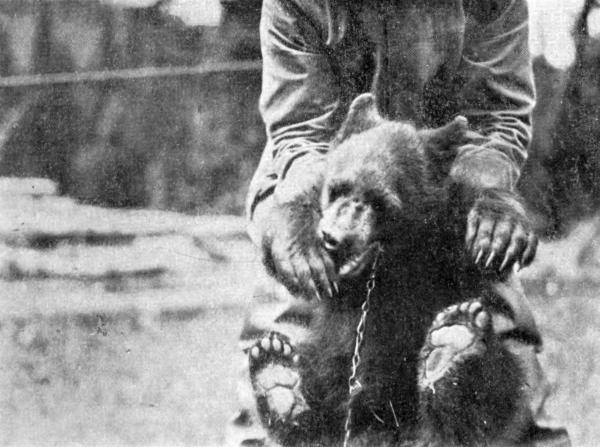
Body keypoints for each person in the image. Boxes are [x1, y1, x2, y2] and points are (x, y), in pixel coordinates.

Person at [227, 1, 570, 445]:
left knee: (499, 354)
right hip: (321, 180)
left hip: (441, 187)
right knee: (284, 344)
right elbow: (301, 132)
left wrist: (488, 204)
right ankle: (285, 411)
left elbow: (494, 122)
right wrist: (300, 224)